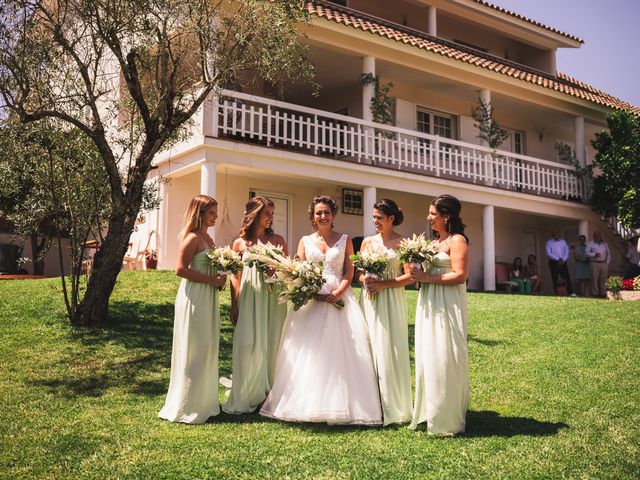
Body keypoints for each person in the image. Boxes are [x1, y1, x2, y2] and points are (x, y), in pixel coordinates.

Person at [260, 195, 382, 425]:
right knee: (308, 351)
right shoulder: (305, 240)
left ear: (333, 214)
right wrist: (310, 291)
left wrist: (339, 291)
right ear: (312, 217)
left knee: (341, 352)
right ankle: (306, 402)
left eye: (326, 212)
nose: (323, 216)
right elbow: (297, 270)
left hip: (339, 299)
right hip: (311, 301)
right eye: (318, 213)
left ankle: (345, 405)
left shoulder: (345, 240)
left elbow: (349, 271)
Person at [158, 195, 227, 424]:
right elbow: (180, 269)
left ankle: (205, 402)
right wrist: (211, 281)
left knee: (207, 345)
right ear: (200, 213)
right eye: (212, 213)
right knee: (194, 347)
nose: (216, 216)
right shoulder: (192, 238)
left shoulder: (208, 236)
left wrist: (220, 277)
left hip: (207, 297)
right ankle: (188, 404)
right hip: (195, 297)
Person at [408, 194, 469, 435]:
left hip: (448, 303)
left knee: (445, 355)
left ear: (447, 216)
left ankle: (447, 417)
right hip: (429, 302)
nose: (428, 217)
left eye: (433, 213)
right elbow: (423, 272)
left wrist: (427, 277)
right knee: (429, 353)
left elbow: (460, 275)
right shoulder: (433, 243)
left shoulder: (458, 241)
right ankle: (429, 410)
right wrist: (415, 270)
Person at [223, 196, 289, 414]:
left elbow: (288, 271)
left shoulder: (278, 240)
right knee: (248, 342)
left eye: (272, 213)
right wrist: (235, 304)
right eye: (266, 213)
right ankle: (248, 391)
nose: (270, 218)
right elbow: (235, 275)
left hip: (272, 297)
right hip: (250, 297)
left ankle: (269, 394)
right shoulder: (240, 243)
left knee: (272, 342)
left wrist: (275, 271)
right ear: (254, 215)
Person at [358, 199, 414, 425]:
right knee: (368, 345)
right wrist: (366, 280)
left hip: (391, 300)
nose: (375, 222)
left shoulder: (403, 243)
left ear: (391, 218)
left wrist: (384, 284)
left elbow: (410, 276)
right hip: (370, 300)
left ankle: (392, 403)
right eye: (373, 217)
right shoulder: (367, 242)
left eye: (379, 218)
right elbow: (359, 274)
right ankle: (369, 404)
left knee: (388, 347)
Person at [545, 229, 575, 297]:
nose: (555, 234)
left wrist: (563, 259)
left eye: (557, 233)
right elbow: (549, 253)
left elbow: (567, 251)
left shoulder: (563, 241)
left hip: (563, 261)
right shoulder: (549, 242)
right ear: (551, 235)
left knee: (566, 277)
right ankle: (557, 293)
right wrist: (558, 259)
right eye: (554, 233)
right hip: (553, 262)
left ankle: (571, 292)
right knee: (555, 278)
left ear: (559, 234)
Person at [586, 230, 610, 298]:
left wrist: (607, 262)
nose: (597, 236)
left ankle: (603, 293)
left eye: (599, 235)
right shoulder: (590, 243)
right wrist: (594, 254)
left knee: (603, 279)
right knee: (594, 279)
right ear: (594, 236)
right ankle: (595, 293)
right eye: (596, 235)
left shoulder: (605, 244)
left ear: (600, 236)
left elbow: (608, 254)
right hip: (594, 263)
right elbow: (586, 253)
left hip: (604, 263)